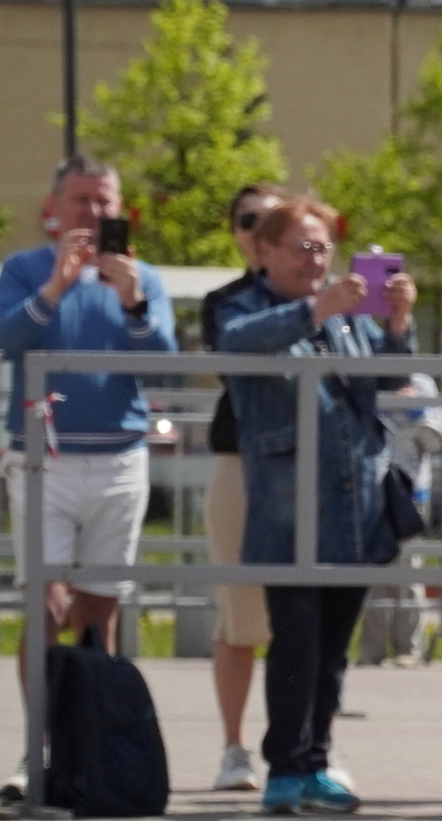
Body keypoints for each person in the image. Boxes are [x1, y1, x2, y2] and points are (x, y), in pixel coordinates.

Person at [0, 153, 176, 805]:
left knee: (100, 606)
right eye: (80, 200)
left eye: (104, 201)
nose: (92, 213)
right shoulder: (24, 269)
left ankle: (91, 746)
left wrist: (134, 301)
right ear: (53, 207)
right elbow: (2, 341)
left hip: (119, 457)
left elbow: (168, 365)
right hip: (42, 457)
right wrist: (55, 289)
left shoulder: (142, 275)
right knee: (44, 604)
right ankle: (35, 751)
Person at [221, 192, 417, 817]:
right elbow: (235, 344)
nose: (316, 258)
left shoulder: (349, 311)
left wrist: (396, 326)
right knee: (296, 641)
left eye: (324, 247)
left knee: (333, 648)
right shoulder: (244, 305)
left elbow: (389, 379)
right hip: (289, 507)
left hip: (353, 502)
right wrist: (312, 310)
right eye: (303, 247)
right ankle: (283, 766)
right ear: (265, 250)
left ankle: (316, 760)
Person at [204, 184, 282, 793]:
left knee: (310, 616)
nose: (259, 229)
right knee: (239, 615)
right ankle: (234, 748)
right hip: (240, 460)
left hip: (309, 465)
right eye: (248, 220)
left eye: (273, 220)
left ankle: (307, 748)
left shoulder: (330, 301)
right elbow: (238, 354)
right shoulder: (226, 301)